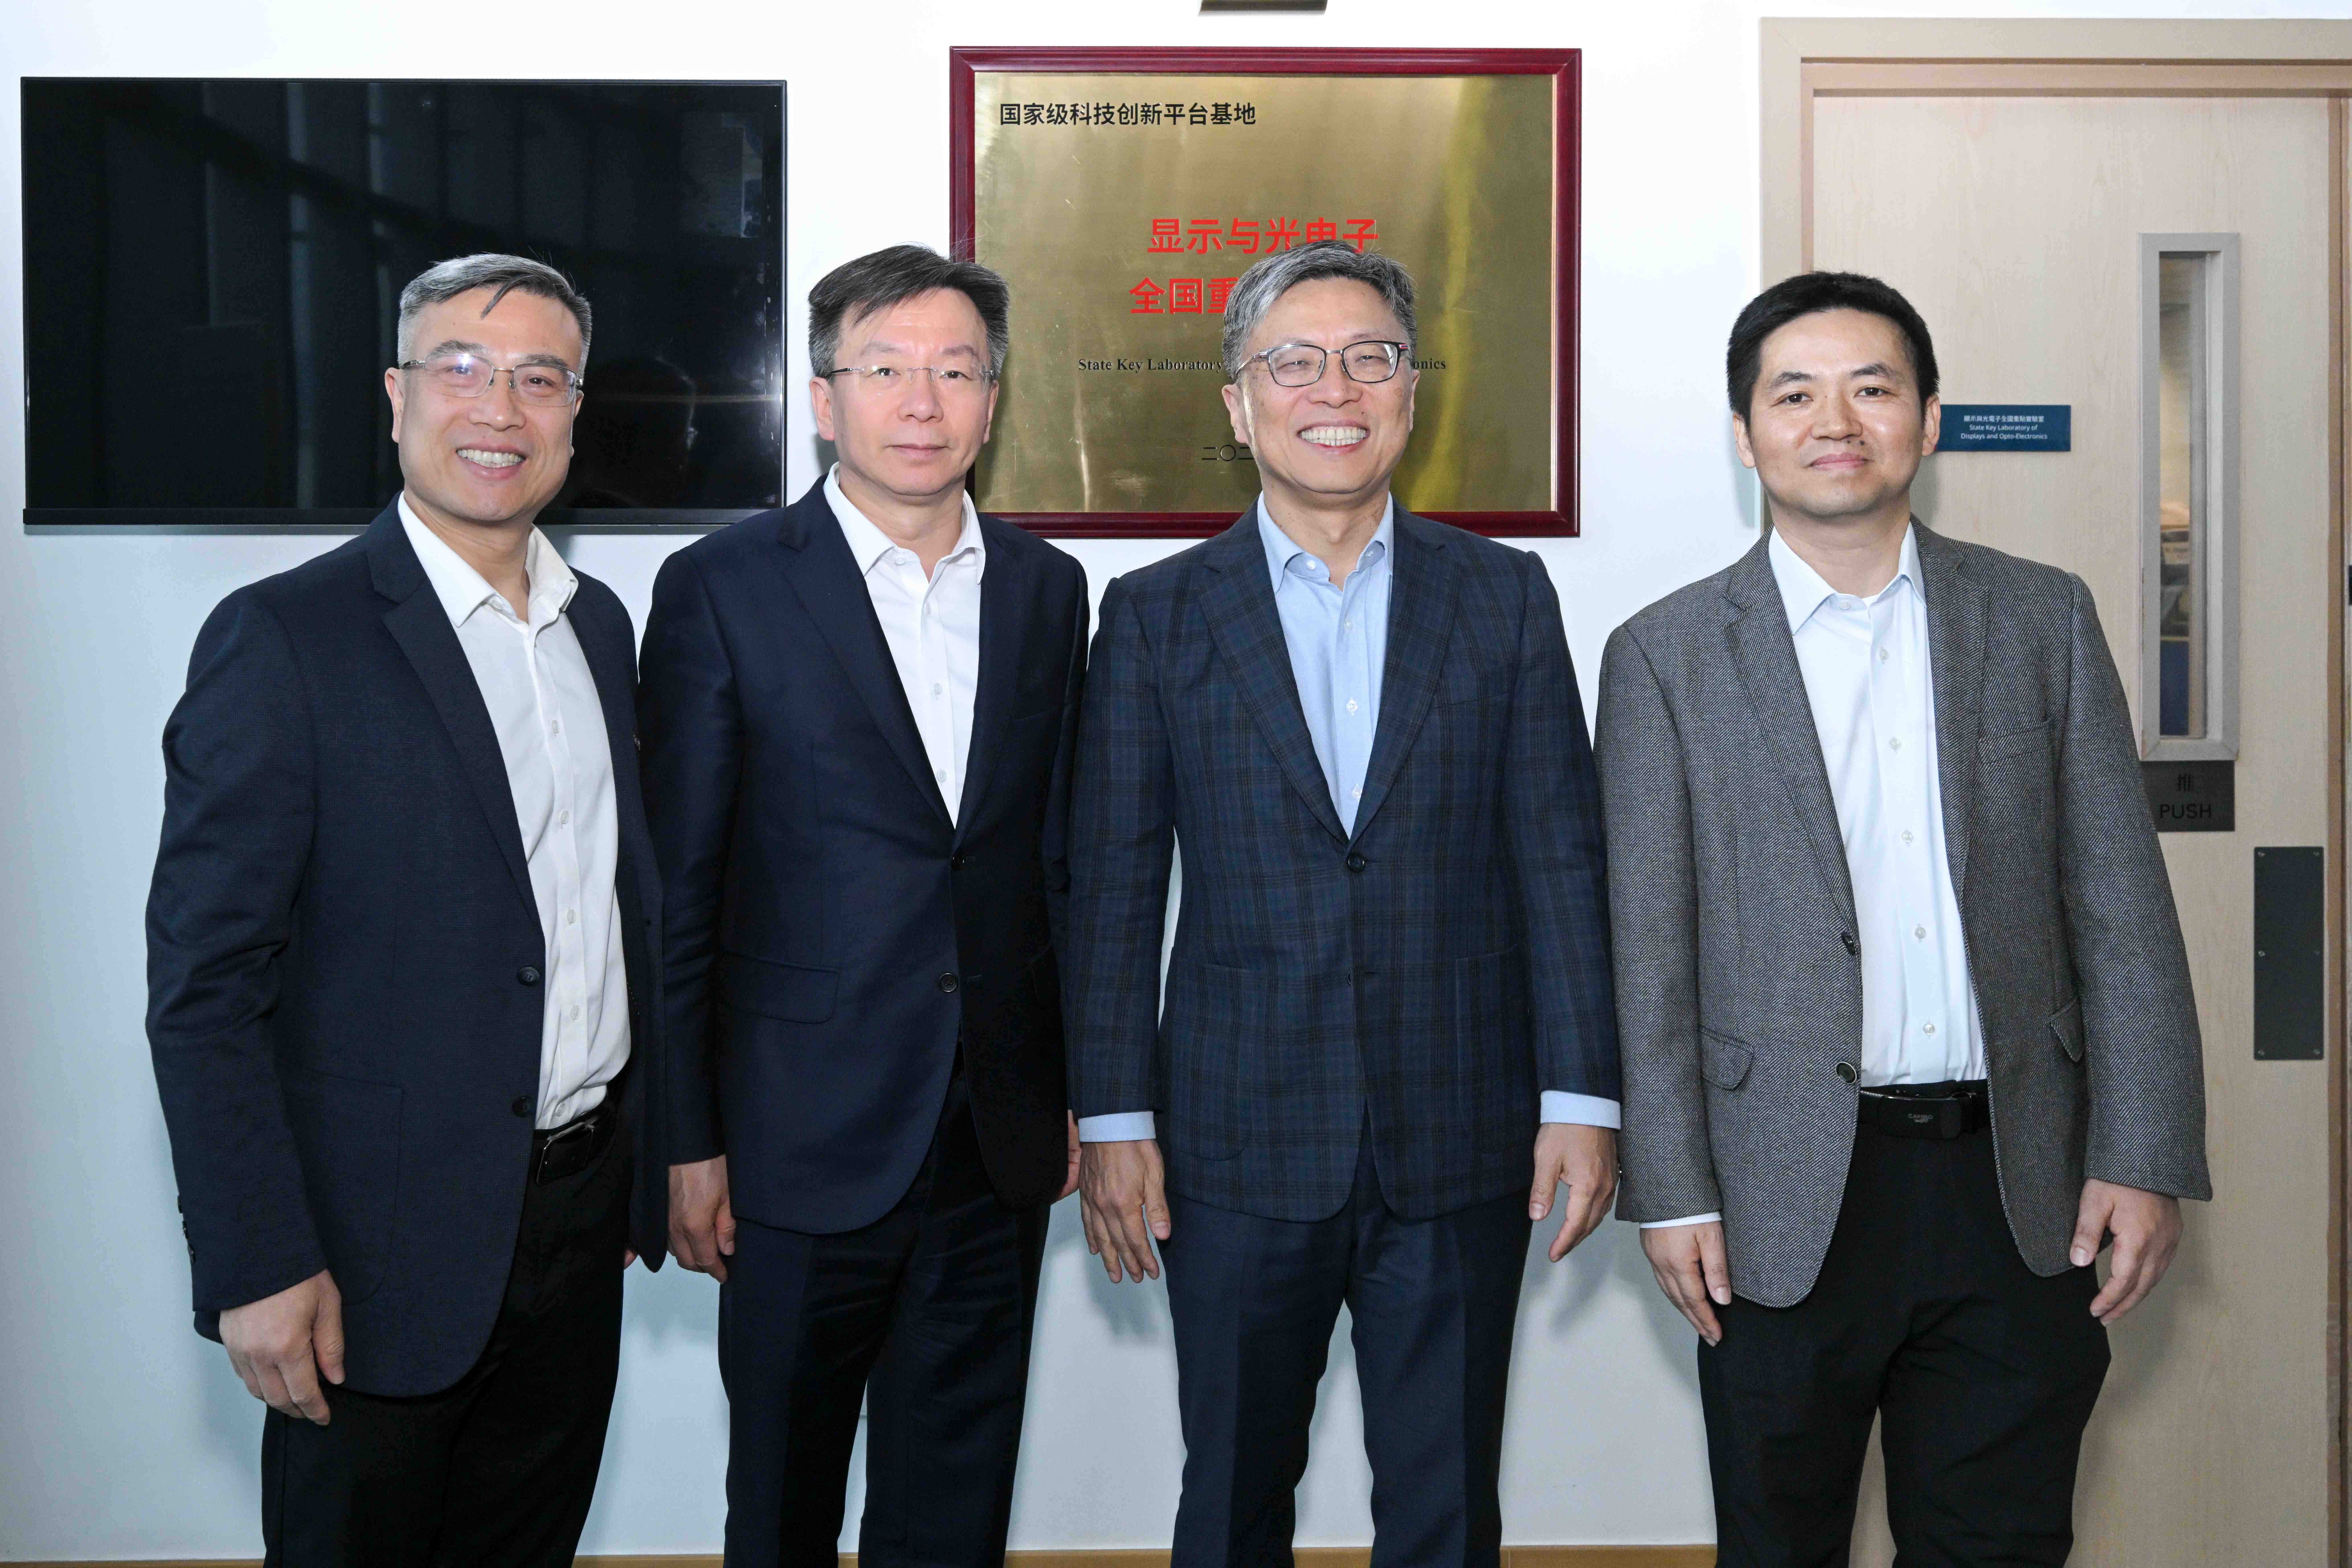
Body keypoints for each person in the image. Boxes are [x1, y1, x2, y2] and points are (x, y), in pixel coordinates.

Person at [1598, 270, 2211, 1567]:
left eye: (1873, 388)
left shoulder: (2040, 618)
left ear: (1927, 421)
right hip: (1774, 1199)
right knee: (1780, 1542)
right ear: (1746, 429)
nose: (1838, 420)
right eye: (1796, 393)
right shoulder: (1664, 653)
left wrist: (2146, 1143)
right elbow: (1648, 949)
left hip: (2019, 1181)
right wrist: (1670, 1187)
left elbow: (2120, 906)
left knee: (1998, 1541)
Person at [1065, 240, 1620, 1564]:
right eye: (1294, 359)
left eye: (1371, 357)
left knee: (1443, 1502)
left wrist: (1583, 1096)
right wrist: (1116, 1113)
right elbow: (1115, 881)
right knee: (1234, 1489)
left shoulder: (1502, 595)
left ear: (1411, 397)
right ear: (1238, 402)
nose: (1337, 386)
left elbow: (1558, 856)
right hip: (1232, 1142)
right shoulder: (1153, 616)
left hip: (1461, 1130)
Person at [145, 253, 669, 1565]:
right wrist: (256, 1258)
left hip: (570, 1220)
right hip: (366, 1248)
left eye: (539, 378)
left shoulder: (599, 627)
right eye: (462, 368)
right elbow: (207, 985)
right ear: (394, 396)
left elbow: (608, 913)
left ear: (574, 412)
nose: (500, 406)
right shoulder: (285, 637)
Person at [638, 244, 1089, 1567]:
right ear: (824, 398)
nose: (922, 400)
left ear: (993, 400)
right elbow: (683, 885)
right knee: (779, 1502)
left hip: (991, 1140)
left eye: (956, 370)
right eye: (884, 369)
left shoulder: (1048, 591)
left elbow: (1050, 863)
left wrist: (1066, 1086)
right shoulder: (724, 586)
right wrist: (688, 1134)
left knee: (954, 1505)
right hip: (791, 1139)